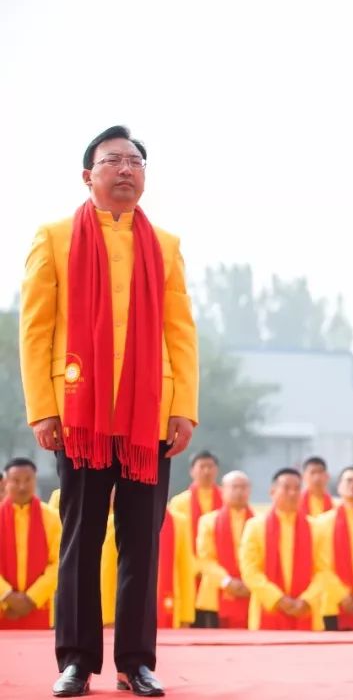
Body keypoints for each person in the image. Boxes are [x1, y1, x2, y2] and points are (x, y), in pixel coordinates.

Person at [20, 125, 198, 697]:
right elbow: (35, 329)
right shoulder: (52, 237)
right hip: (81, 414)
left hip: (149, 413)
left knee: (142, 540)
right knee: (81, 536)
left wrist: (184, 408)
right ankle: (76, 659)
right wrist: (44, 409)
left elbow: (181, 332)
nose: (126, 169)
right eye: (113, 160)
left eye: (135, 161)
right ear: (87, 175)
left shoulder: (165, 245)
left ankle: (136, 662)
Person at [239, 468, 325, 631]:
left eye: (297, 488)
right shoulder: (255, 526)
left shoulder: (316, 528)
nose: (292, 493)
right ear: (273, 492)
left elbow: (324, 571)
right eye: (286, 488)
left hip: (307, 612)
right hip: (267, 609)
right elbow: (250, 571)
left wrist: (306, 600)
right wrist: (278, 599)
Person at [0, 458, 61, 629]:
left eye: (28, 480)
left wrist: (33, 598)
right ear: (5, 482)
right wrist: (6, 596)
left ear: (35, 480)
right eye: (16, 480)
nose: (22, 486)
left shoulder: (52, 518)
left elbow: (59, 563)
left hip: (40, 606)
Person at [316, 466, 353, 631]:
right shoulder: (322, 523)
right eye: (349, 481)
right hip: (332, 603)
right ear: (339, 487)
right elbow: (320, 564)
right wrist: (341, 594)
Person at [194, 471, 254, 629]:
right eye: (234, 487)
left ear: (249, 491)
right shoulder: (208, 521)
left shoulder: (258, 523)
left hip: (251, 592)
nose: (239, 492)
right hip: (214, 594)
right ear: (223, 490)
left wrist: (250, 583)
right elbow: (205, 559)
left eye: (243, 487)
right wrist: (227, 582)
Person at [167, 451, 222, 551]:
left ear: (217, 470)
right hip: (188, 555)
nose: (206, 471)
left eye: (210, 466)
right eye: (202, 467)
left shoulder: (227, 499)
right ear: (192, 471)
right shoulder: (179, 502)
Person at [156, 509, 196, 629]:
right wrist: (109, 619)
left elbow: (186, 572)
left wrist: (186, 616)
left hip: (170, 608)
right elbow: (108, 577)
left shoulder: (179, 522)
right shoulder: (114, 522)